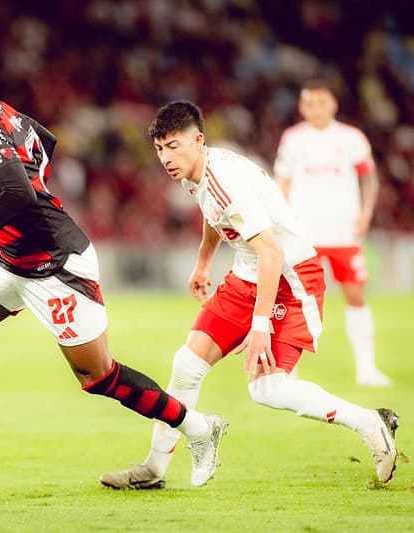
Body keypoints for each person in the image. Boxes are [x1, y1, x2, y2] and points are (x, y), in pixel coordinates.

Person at [0, 43, 228, 505]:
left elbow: (19, 193)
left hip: (57, 264)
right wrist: (28, 191)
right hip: (11, 258)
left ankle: (199, 427)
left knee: (98, 377)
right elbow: (44, 140)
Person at [100, 101, 398, 490]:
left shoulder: (226, 183)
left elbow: (271, 252)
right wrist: (204, 262)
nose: (165, 158)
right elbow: (213, 216)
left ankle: (369, 422)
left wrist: (259, 328)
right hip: (247, 274)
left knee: (267, 389)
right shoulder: (196, 171)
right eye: (159, 149)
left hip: (290, 279)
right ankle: (154, 470)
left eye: (173, 147)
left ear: (198, 141)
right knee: (186, 365)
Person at [274, 79, 391, 387]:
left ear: (333, 104)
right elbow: (281, 182)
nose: (315, 109)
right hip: (303, 234)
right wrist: (281, 222)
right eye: (309, 103)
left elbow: (369, 180)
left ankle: (366, 368)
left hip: (343, 233)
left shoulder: (352, 139)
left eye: (321, 102)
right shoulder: (293, 139)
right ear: (301, 107)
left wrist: (365, 214)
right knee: (294, 297)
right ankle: (288, 369)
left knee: (355, 296)